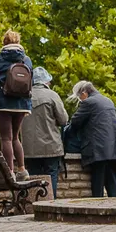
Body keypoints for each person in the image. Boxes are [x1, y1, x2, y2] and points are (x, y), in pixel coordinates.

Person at [64, 81, 116, 198]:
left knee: (97, 186)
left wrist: (65, 133)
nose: (80, 100)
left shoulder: (89, 102)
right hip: (114, 148)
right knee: (112, 184)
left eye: (80, 97)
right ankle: (115, 210)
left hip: (99, 149)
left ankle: (97, 213)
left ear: (84, 92)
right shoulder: (107, 100)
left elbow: (75, 122)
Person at [0, 30, 33, 179]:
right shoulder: (26, 60)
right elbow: (32, 82)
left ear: (4, 43)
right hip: (22, 103)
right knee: (15, 137)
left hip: (3, 103)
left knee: (6, 138)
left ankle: (10, 171)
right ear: (18, 42)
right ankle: (22, 170)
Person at [20, 66, 68, 196]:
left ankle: (35, 204)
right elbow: (63, 120)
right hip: (51, 146)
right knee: (51, 175)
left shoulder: (23, 96)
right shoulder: (52, 95)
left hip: (29, 148)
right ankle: (50, 203)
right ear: (46, 82)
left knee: (34, 177)